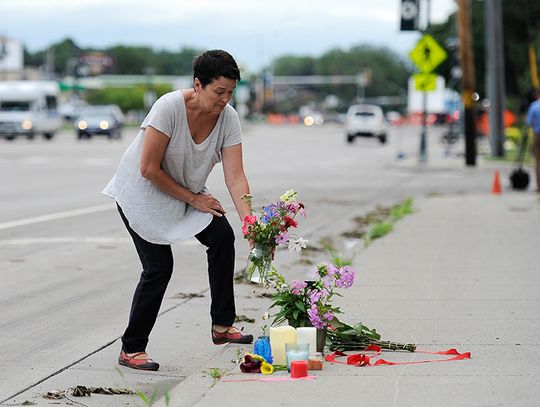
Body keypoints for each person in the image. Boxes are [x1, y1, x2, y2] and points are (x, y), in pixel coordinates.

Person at [102, 50, 253, 371]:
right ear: (198, 85)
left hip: (185, 191)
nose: (225, 99)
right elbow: (148, 168)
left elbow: (236, 176)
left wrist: (251, 224)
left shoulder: (229, 118)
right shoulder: (169, 107)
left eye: (231, 92)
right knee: (158, 268)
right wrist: (195, 199)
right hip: (142, 193)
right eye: (219, 92)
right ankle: (132, 348)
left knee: (223, 237)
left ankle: (222, 326)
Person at [526, 89, 540, 193]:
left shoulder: (534, 106)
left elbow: (529, 122)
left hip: (538, 135)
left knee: (538, 161)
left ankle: (539, 187)